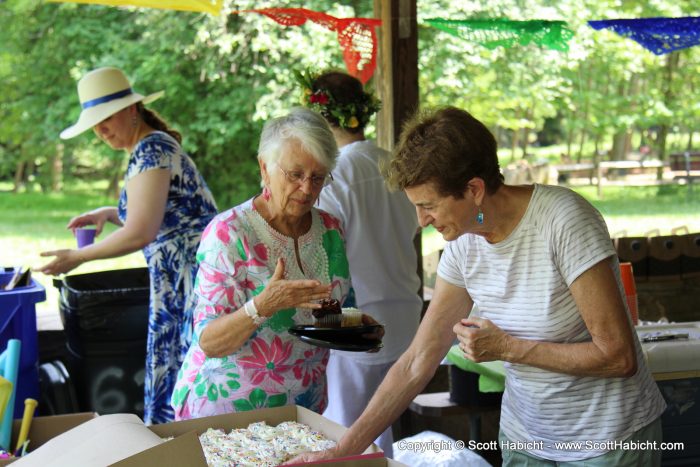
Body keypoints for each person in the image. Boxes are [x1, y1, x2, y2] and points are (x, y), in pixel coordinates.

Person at [288, 106, 666, 466]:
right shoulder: (466, 241)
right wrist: (343, 449)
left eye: (429, 205)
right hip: (527, 439)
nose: (421, 221)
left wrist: (509, 348)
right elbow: (418, 360)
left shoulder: (564, 222)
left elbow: (618, 356)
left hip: (607, 441)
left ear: (474, 189)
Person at [171, 108, 382, 419]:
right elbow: (209, 342)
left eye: (318, 177)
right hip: (228, 411)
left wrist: (357, 327)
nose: (308, 188)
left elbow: (333, 315)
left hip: (303, 409)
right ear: (264, 167)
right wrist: (262, 306)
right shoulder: (229, 233)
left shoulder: (331, 229)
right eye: (295, 175)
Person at [37, 67, 218, 424]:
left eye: (106, 119)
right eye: (95, 123)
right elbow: (162, 213)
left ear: (132, 110)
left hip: (186, 277)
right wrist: (109, 212)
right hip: (180, 275)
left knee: (185, 379)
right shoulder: (150, 147)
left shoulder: (152, 149)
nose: (100, 130)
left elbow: (141, 232)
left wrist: (78, 257)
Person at [297, 70, 422, 456]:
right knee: (379, 432)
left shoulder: (334, 176)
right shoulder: (395, 165)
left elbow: (323, 253)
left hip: (357, 322)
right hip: (406, 316)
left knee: (346, 434)